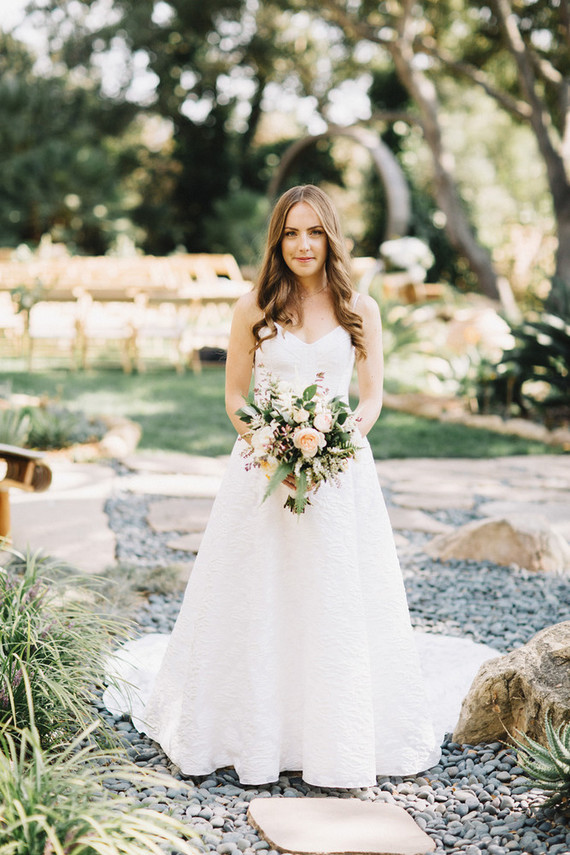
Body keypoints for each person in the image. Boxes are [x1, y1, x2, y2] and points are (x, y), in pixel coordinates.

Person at [106, 184, 445, 788]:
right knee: (258, 592)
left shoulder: (359, 309)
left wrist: (341, 441)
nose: (303, 244)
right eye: (291, 232)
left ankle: (334, 734)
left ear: (331, 237)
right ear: (277, 240)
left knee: (333, 596)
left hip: (340, 474)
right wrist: (266, 441)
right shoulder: (253, 306)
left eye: (315, 231)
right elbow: (235, 396)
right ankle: (253, 731)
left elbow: (370, 398)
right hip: (261, 473)